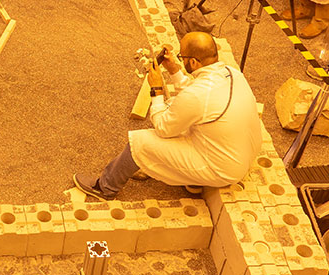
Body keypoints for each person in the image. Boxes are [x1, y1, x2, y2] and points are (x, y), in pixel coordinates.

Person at [73, 32, 261, 198]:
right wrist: (175, 70)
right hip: (240, 154)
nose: (181, 59)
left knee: (140, 143)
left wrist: (156, 90)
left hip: (222, 169)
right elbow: (198, 99)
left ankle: (105, 188)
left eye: (183, 57)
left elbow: (163, 128)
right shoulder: (232, 73)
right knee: (176, 109)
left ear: (194, 62)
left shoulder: (197, 95)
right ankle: (194, 183)